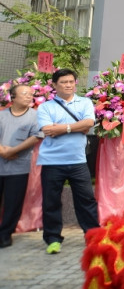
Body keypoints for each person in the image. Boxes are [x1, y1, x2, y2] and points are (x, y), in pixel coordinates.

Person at [36, 68, 99, 254]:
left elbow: (88, 123)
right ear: (54, 85)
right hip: (51, 162)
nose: (69, 85)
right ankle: (53, 239)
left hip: (78, 161)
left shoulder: (85, 102)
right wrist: (75, 127)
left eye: (71, 81)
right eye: (64, 82)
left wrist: (63, 128)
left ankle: (93, 235)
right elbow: (48, 130)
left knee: (86, 200)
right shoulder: (45, 107)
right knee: (51, 202)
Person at [0, 85, 41, 248]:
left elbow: (36, 136)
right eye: (24, 94)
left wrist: (13, 151)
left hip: (19, 167)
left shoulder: (35, 116)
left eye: (31, 94)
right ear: (13, 97)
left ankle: (5, 234)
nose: (29, 96)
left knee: (13, 203)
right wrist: (3, 152)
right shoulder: (2, 115)